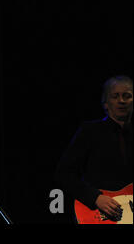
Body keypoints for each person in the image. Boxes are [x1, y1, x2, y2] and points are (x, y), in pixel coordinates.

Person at [56, 75, 133, 222]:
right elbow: (63, 174)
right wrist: (95, 197)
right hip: (99, 213)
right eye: (115, 96)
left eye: (127, 96)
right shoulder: (90, 131)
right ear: (105, 103)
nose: (121, 101)